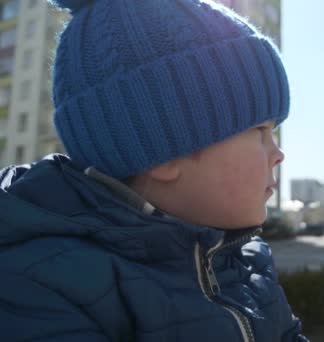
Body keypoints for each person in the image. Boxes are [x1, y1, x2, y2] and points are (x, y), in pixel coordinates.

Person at [0, 0, 306, 341]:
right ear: (166, 153)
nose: (278, 154)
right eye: (260, 131)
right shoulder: (42, 283)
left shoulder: (245, 263)